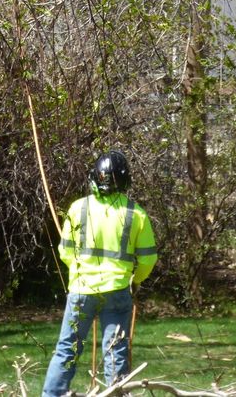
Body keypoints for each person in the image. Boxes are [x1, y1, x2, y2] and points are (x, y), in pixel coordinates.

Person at [41, 150, 157, 397]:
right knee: (115, 352)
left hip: (81, 290)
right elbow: (148, 258)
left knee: (67, 350)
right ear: (125, 180)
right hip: (116, 291)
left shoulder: (77, 208)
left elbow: (65, 251)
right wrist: (136, 280)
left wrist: (79, 272)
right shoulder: (136, 214)